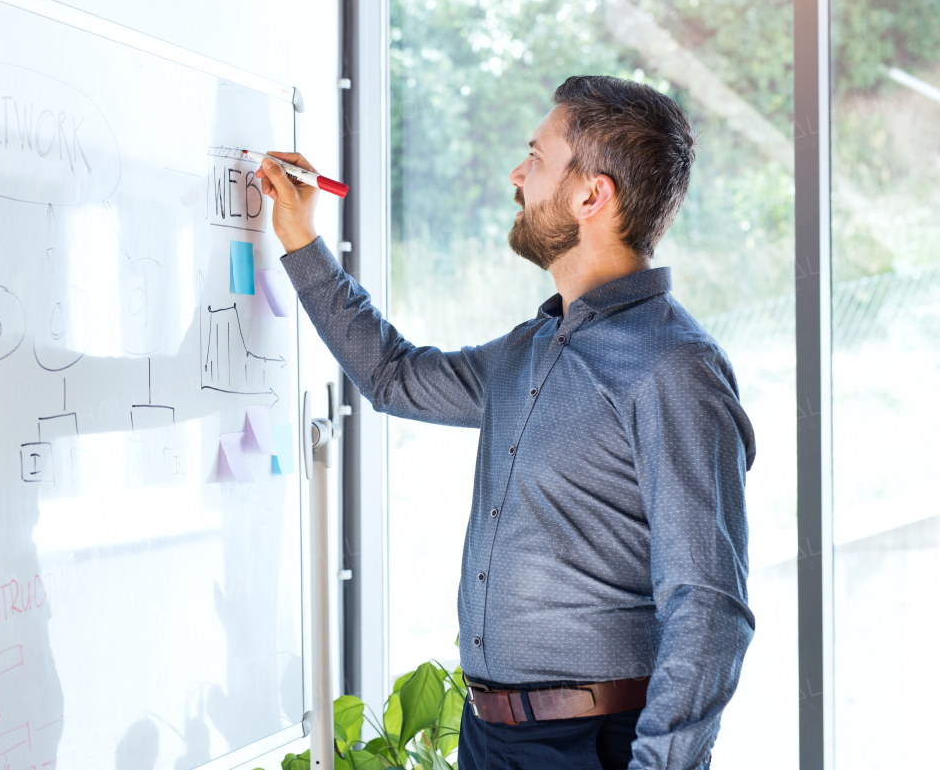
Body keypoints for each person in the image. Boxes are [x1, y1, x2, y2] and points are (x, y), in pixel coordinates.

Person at [257, 75, 755, 770]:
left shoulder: (673, 367)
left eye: (536, 156)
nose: (516, 175)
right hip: (490, 738)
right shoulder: (527, 350)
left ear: (592, 195)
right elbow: (394, 376)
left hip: (593, 745)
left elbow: (710, 606)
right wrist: (301, 240)